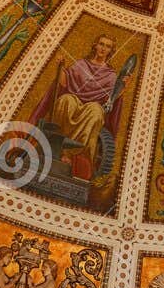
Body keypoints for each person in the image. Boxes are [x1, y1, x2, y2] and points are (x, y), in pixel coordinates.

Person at [32, 36, 130, 182]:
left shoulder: (111, 75)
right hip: (74, 102)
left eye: (108, 46)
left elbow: (111, 100)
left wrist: (122, 87)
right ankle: (55, 147)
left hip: (92, 107)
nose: (103, 48)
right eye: (101, 44)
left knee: (95, 111)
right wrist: (61, 66)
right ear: (95, 45)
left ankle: (72, 154)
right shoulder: (80, 64)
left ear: (111, 51)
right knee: (66, 100)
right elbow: (65, 84)